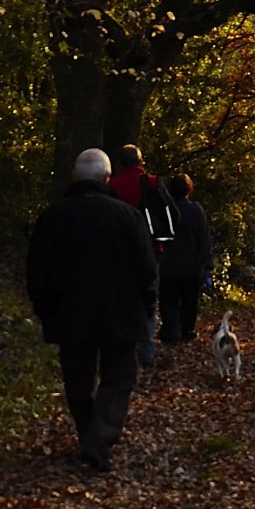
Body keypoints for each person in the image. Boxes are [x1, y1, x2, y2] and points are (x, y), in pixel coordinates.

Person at [25, 148, 158, 472]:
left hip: (71, 315)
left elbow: (37, 272)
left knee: (77, 381)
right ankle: (99, 439)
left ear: (74, 178)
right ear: (106, 178)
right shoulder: (127, 217)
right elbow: (146, 268)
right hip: (121, 315)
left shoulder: (53, 217)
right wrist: (147, 307)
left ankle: (90, 436)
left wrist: (47, 311)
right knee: (118, 378)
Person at [106, 144, 165, 367]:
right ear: (141, 162)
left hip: (118, 252)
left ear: (120, 164)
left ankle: (123, 347)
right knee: (149, 299)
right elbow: (172, 216)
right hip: (151, 249)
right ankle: (147, 352)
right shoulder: (152, 183)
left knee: (121, 298)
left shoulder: (112, 185)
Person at [157, 173, 214, 346]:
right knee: (189, 301)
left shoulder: (164, 210)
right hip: (191, 265)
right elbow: (204, 239)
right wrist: (207, 265)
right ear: (189, 189)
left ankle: (170, 330)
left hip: (168, 265)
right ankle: (186, 330)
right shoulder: (196, 210)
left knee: (168, 301)